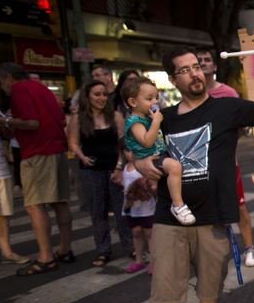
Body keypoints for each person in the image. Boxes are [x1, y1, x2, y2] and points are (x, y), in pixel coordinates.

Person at [128, 44, 254, 303]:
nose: (194, 73)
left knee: (212, 274)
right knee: (165, 275)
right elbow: (135, 146)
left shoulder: (227, 108)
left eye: (196, 66)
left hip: (214, 212)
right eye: (184, 70)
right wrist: (139, 163)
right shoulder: (164, 118)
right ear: (173, 80)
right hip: (170, 213)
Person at [0, 62, 74, 276]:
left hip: (38, 152)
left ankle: (45, 258)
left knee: (34, 205)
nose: (2, 87)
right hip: (57, 149)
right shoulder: (41, 88)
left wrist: (5, 121)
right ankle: (65, 249)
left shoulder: (19, 90)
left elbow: (32, 124)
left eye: (1, 82)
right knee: (60, 202)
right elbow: (60, 120)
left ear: (8, 78)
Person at [195, 47, 254, 267]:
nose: (203, 63)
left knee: (239, 206)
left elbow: (240, 126)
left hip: (228, 164)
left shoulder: (228, 93)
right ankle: (214, 251)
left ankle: (249, 248)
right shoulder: (190, 95)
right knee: (208, 209)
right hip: (200, 166)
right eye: (199, 60)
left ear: (214, 66)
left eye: (206, 59)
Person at [68, 80, 134, 266]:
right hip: (91, 170)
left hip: (114, 169)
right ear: (87, 97)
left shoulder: (115, 116)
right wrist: (81, 156)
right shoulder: (79, 119)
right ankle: (103, 250)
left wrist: (119, 167)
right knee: (98, 212)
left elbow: (124, 142)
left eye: (104, 94)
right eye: (97, 94)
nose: (102, 98)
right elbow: (72, 142)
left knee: (122, 211)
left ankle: (130, 246)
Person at [123, 76, 195, 226]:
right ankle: (178, 205)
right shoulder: (135, 122)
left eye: (156, 97)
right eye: (149, 98)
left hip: (157, 155)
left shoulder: (147, 118)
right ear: (133, 102)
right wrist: (156, 121)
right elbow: (147, 141)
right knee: (174, 167)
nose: (155, 102)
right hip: (151, 158)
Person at [0, 108, 29, 264]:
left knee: (2, 214)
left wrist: (3, 124)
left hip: (0, 169)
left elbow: (10, 134)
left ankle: (6, 252)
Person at [121, 145, 155, 274]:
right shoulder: (125, 167)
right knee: (136, 232)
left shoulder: (145, 167)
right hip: (131, 207)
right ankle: (139, 260)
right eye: (127, 150)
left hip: (147, 208)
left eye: (134, 150)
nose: (131, 154)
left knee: (149, 234)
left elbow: (152, 185)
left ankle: (153, 262)